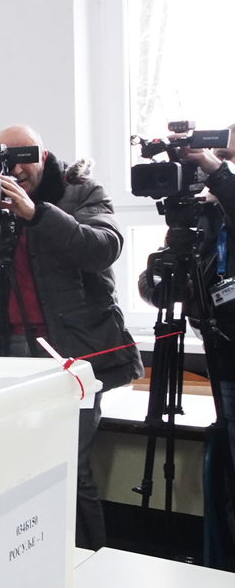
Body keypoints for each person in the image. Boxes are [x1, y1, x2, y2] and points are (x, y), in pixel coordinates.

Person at [0, 124, 144, 550]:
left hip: (72, 352)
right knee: (13, 467)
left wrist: (37, 212)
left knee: (70, 465)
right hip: (6, 351)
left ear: (45, 155)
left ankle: (87, 563)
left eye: (25, 154)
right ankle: (27, 560)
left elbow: (103, 247)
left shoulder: (80, 192)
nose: (17, 166)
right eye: (6, 156)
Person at [138, 125, 235, 540]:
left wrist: (217, 173)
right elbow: (165, 288)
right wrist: (160, 279)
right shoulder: (208, 211)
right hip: (223, 353)